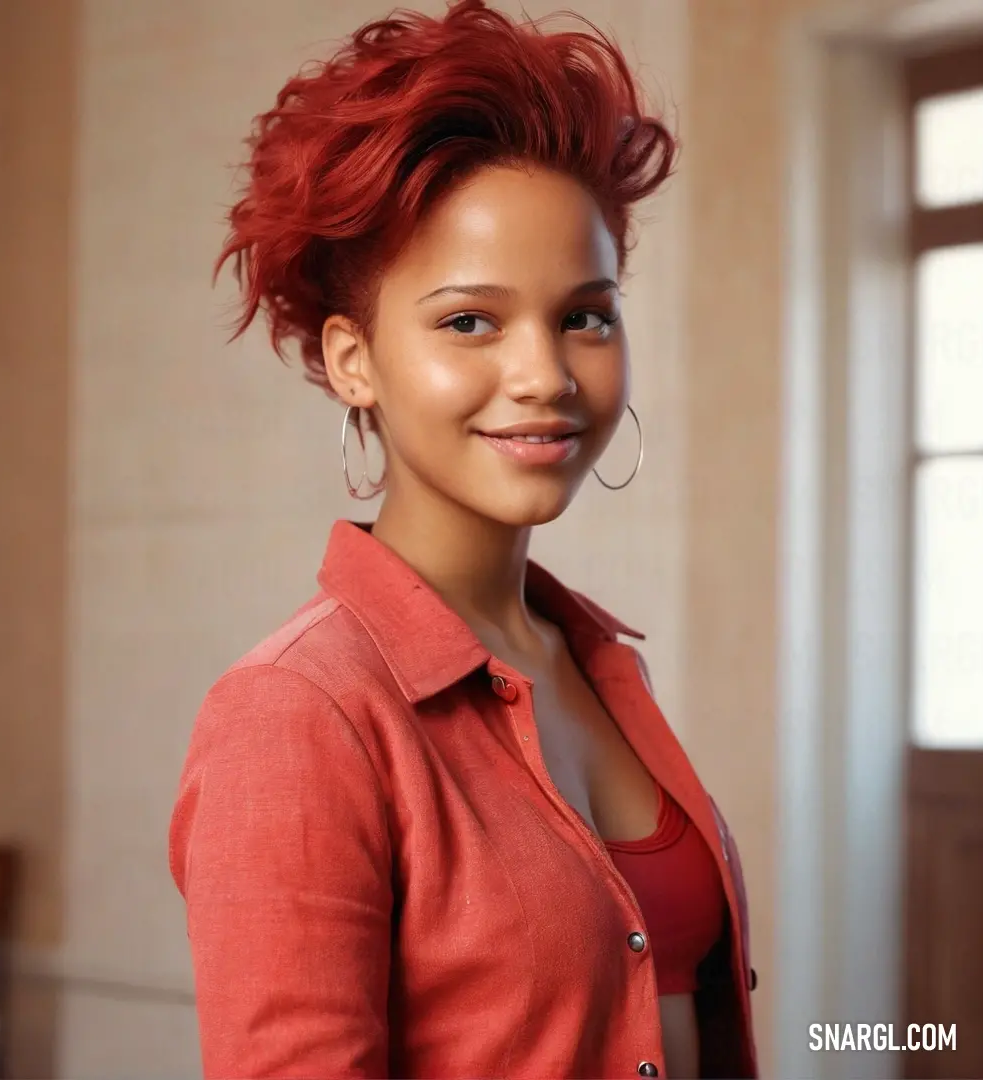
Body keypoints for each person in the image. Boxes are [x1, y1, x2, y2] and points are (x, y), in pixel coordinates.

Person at [169, 1, 757, 1077]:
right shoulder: (299, 716)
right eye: (469, 322)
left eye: (585, 314)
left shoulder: (590, 660)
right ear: (353, 361)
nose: (544, 375)